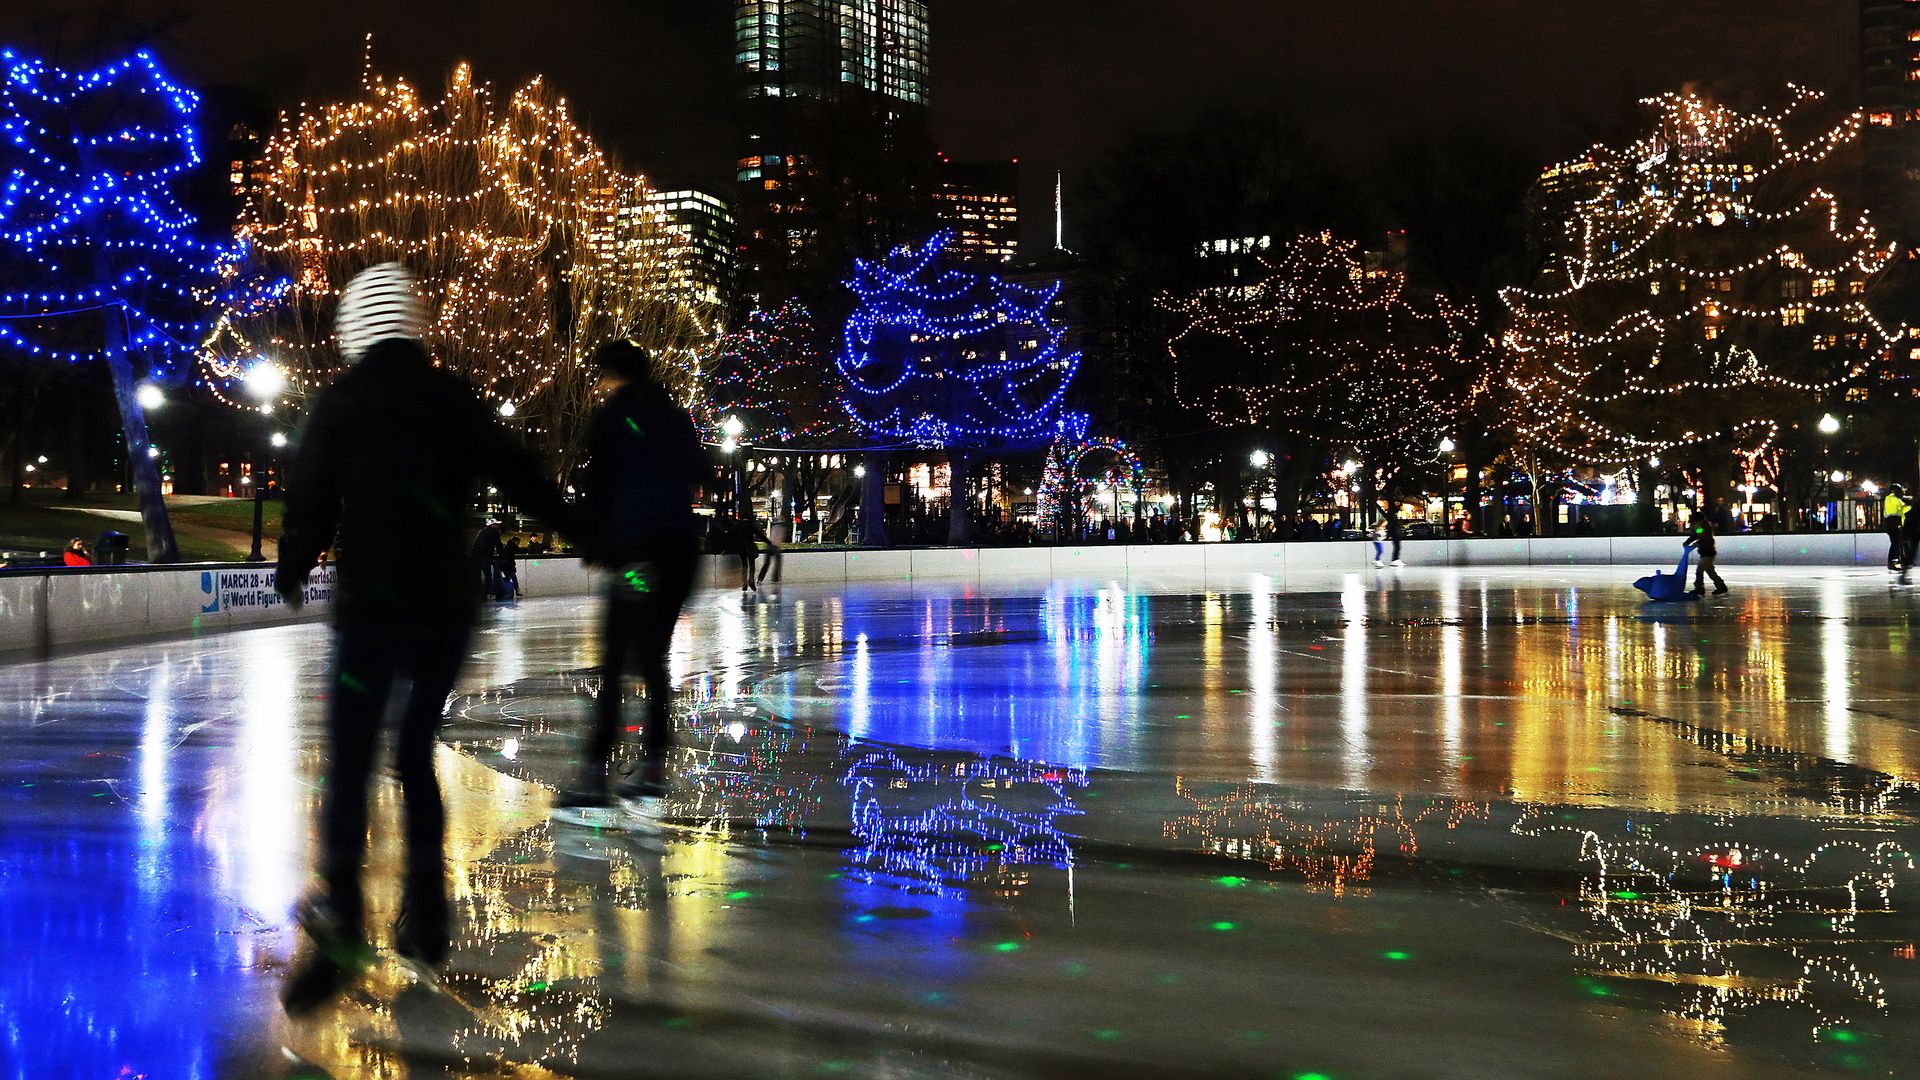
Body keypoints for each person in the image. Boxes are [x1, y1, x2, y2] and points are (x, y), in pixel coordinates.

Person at [273, 263, 573, 1014]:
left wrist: (293, 561)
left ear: (354, 328)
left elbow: (309, 494)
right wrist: (585, 529)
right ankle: (429, 910)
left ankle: (343, 911)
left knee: (348, 762)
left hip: (372, 608)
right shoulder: (452, 398)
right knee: (413, 753)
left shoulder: (341, 402)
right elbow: (522, 473)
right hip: (443, 609)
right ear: (413, 324)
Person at [553, 340, 704, 828]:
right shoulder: (677, 416)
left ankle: (595, 773)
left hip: (639, 555)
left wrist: (598, 543)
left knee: (618, 656)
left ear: (611, 375)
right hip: (680, 550)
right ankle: (654, 765)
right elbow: (699, 472)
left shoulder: (613, 417)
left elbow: (598, 488)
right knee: (652, 657)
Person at [1685, 518, 1727, 596]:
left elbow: (1704, 539)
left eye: (1694, 523)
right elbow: (1695, 535)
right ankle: (1721, 586)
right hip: (1705, 553)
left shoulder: (1706, 528)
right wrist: (1687, 542)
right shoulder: (1700, 528)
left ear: (1699, 521)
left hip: (1708, 553)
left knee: (1699, 571)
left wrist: (1696, 544)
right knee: (1710, 571)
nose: (1694, 525)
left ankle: (1699, 588)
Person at [471, 520, 504, 599]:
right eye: (496, 524)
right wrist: (502, 556)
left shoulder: (481, 531)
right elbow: (499, 546)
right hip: (486, 557)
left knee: (477, 576)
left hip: (476, 557)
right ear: (492, 525)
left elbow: (475, 544)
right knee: (488, 576)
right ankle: (486, 593)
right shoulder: (494, 533)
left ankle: (477, 593)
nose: (498, 526)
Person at [1884, 484, 1909, 572]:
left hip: (1893, 524)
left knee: (1897, 543)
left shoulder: (1895, 499)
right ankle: (1893, 562)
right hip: (1892, 523)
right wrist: (1905, 499)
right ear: (1894, 491)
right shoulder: (1891, 498)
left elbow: (1904, 510)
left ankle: (1897, 562)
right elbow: (1899, 507)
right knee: (1896, 543)